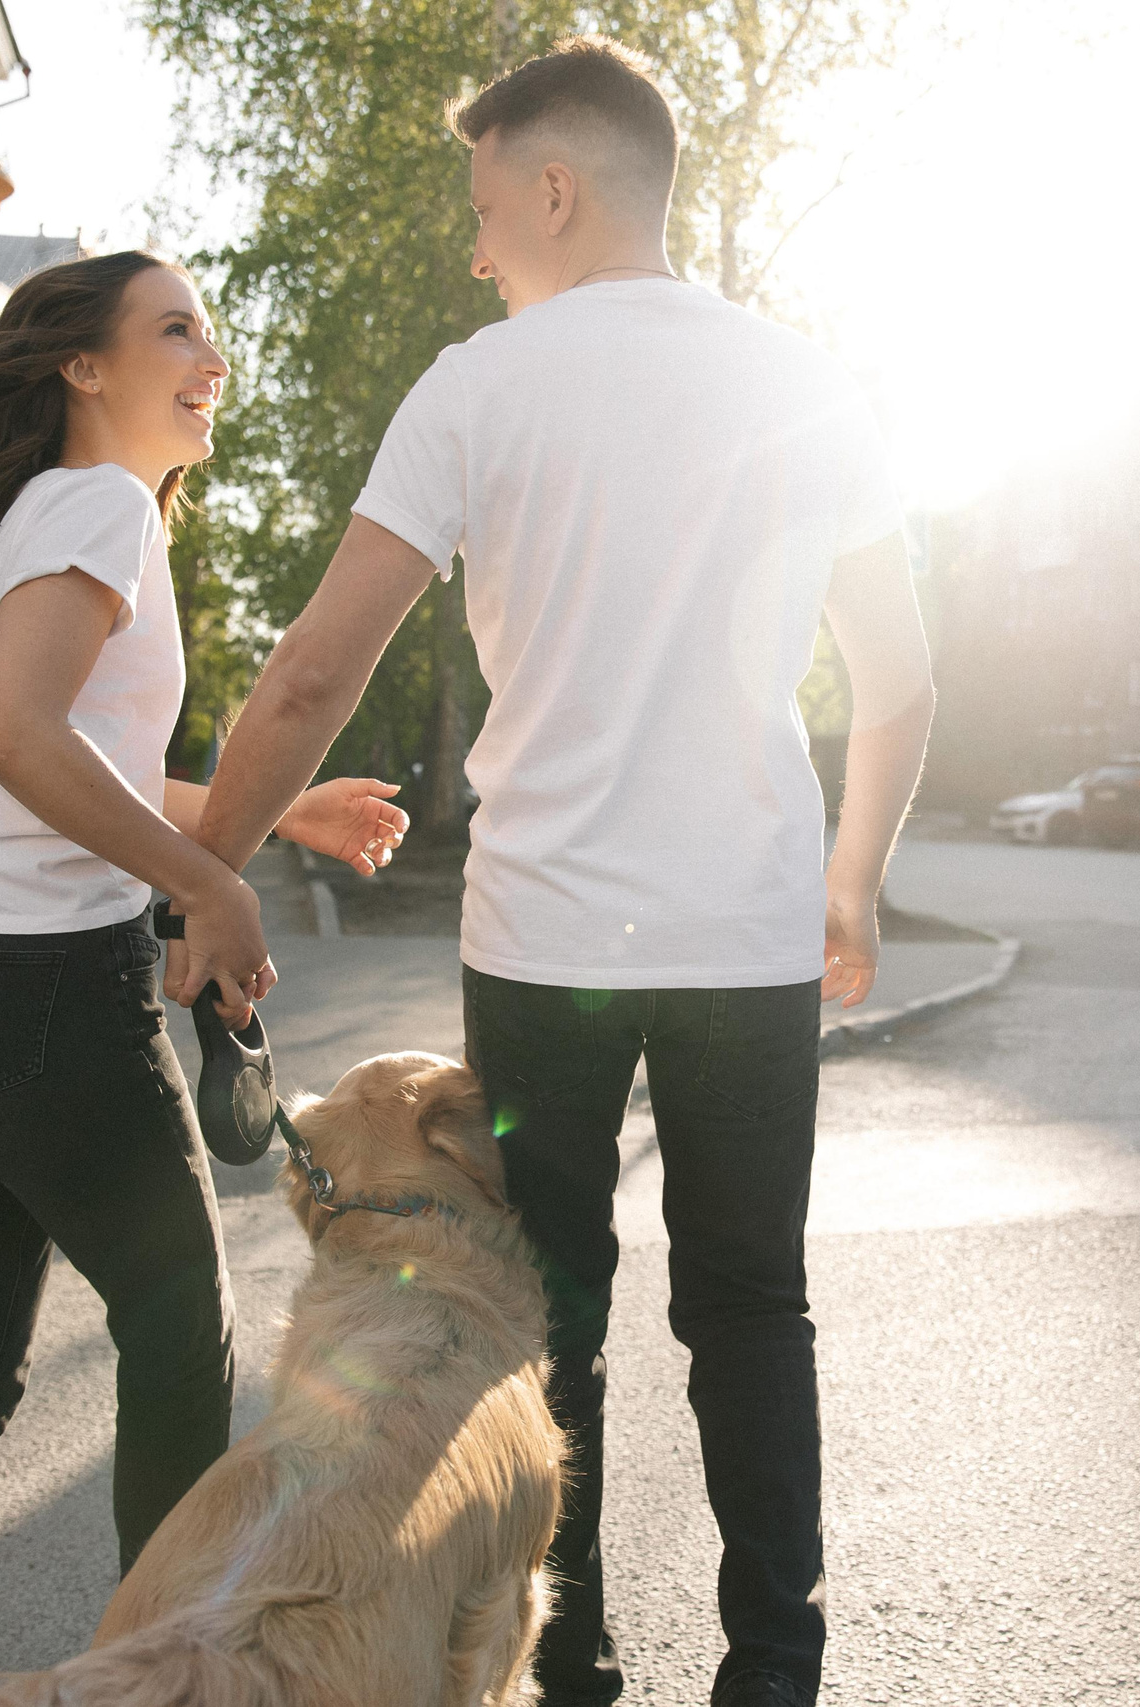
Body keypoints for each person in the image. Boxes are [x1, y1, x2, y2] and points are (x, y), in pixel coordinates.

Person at [177, 40, 935, 1707]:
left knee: (547, 1317)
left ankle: (568, 1674)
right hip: (745, 941)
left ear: (556, 187)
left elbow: (312, 677)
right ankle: (775, 1675)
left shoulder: (479, 388)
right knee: (753, 1309)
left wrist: (202, 875)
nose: (474, 250)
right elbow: (902, 680)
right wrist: (854, 877)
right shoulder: (807, 381)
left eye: (481, 210)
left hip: (546, 947)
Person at [0, 251, 406, 1678]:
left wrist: (270, 814)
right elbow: (19, 737)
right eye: (176, 330)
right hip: (43, 999)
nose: (212, 359)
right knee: (181, 1336)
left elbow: (72, 756)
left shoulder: (53, 511)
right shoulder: (103, 505)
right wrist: (207, 881)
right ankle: (159, 1686)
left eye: (211, 334)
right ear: (82, 365)